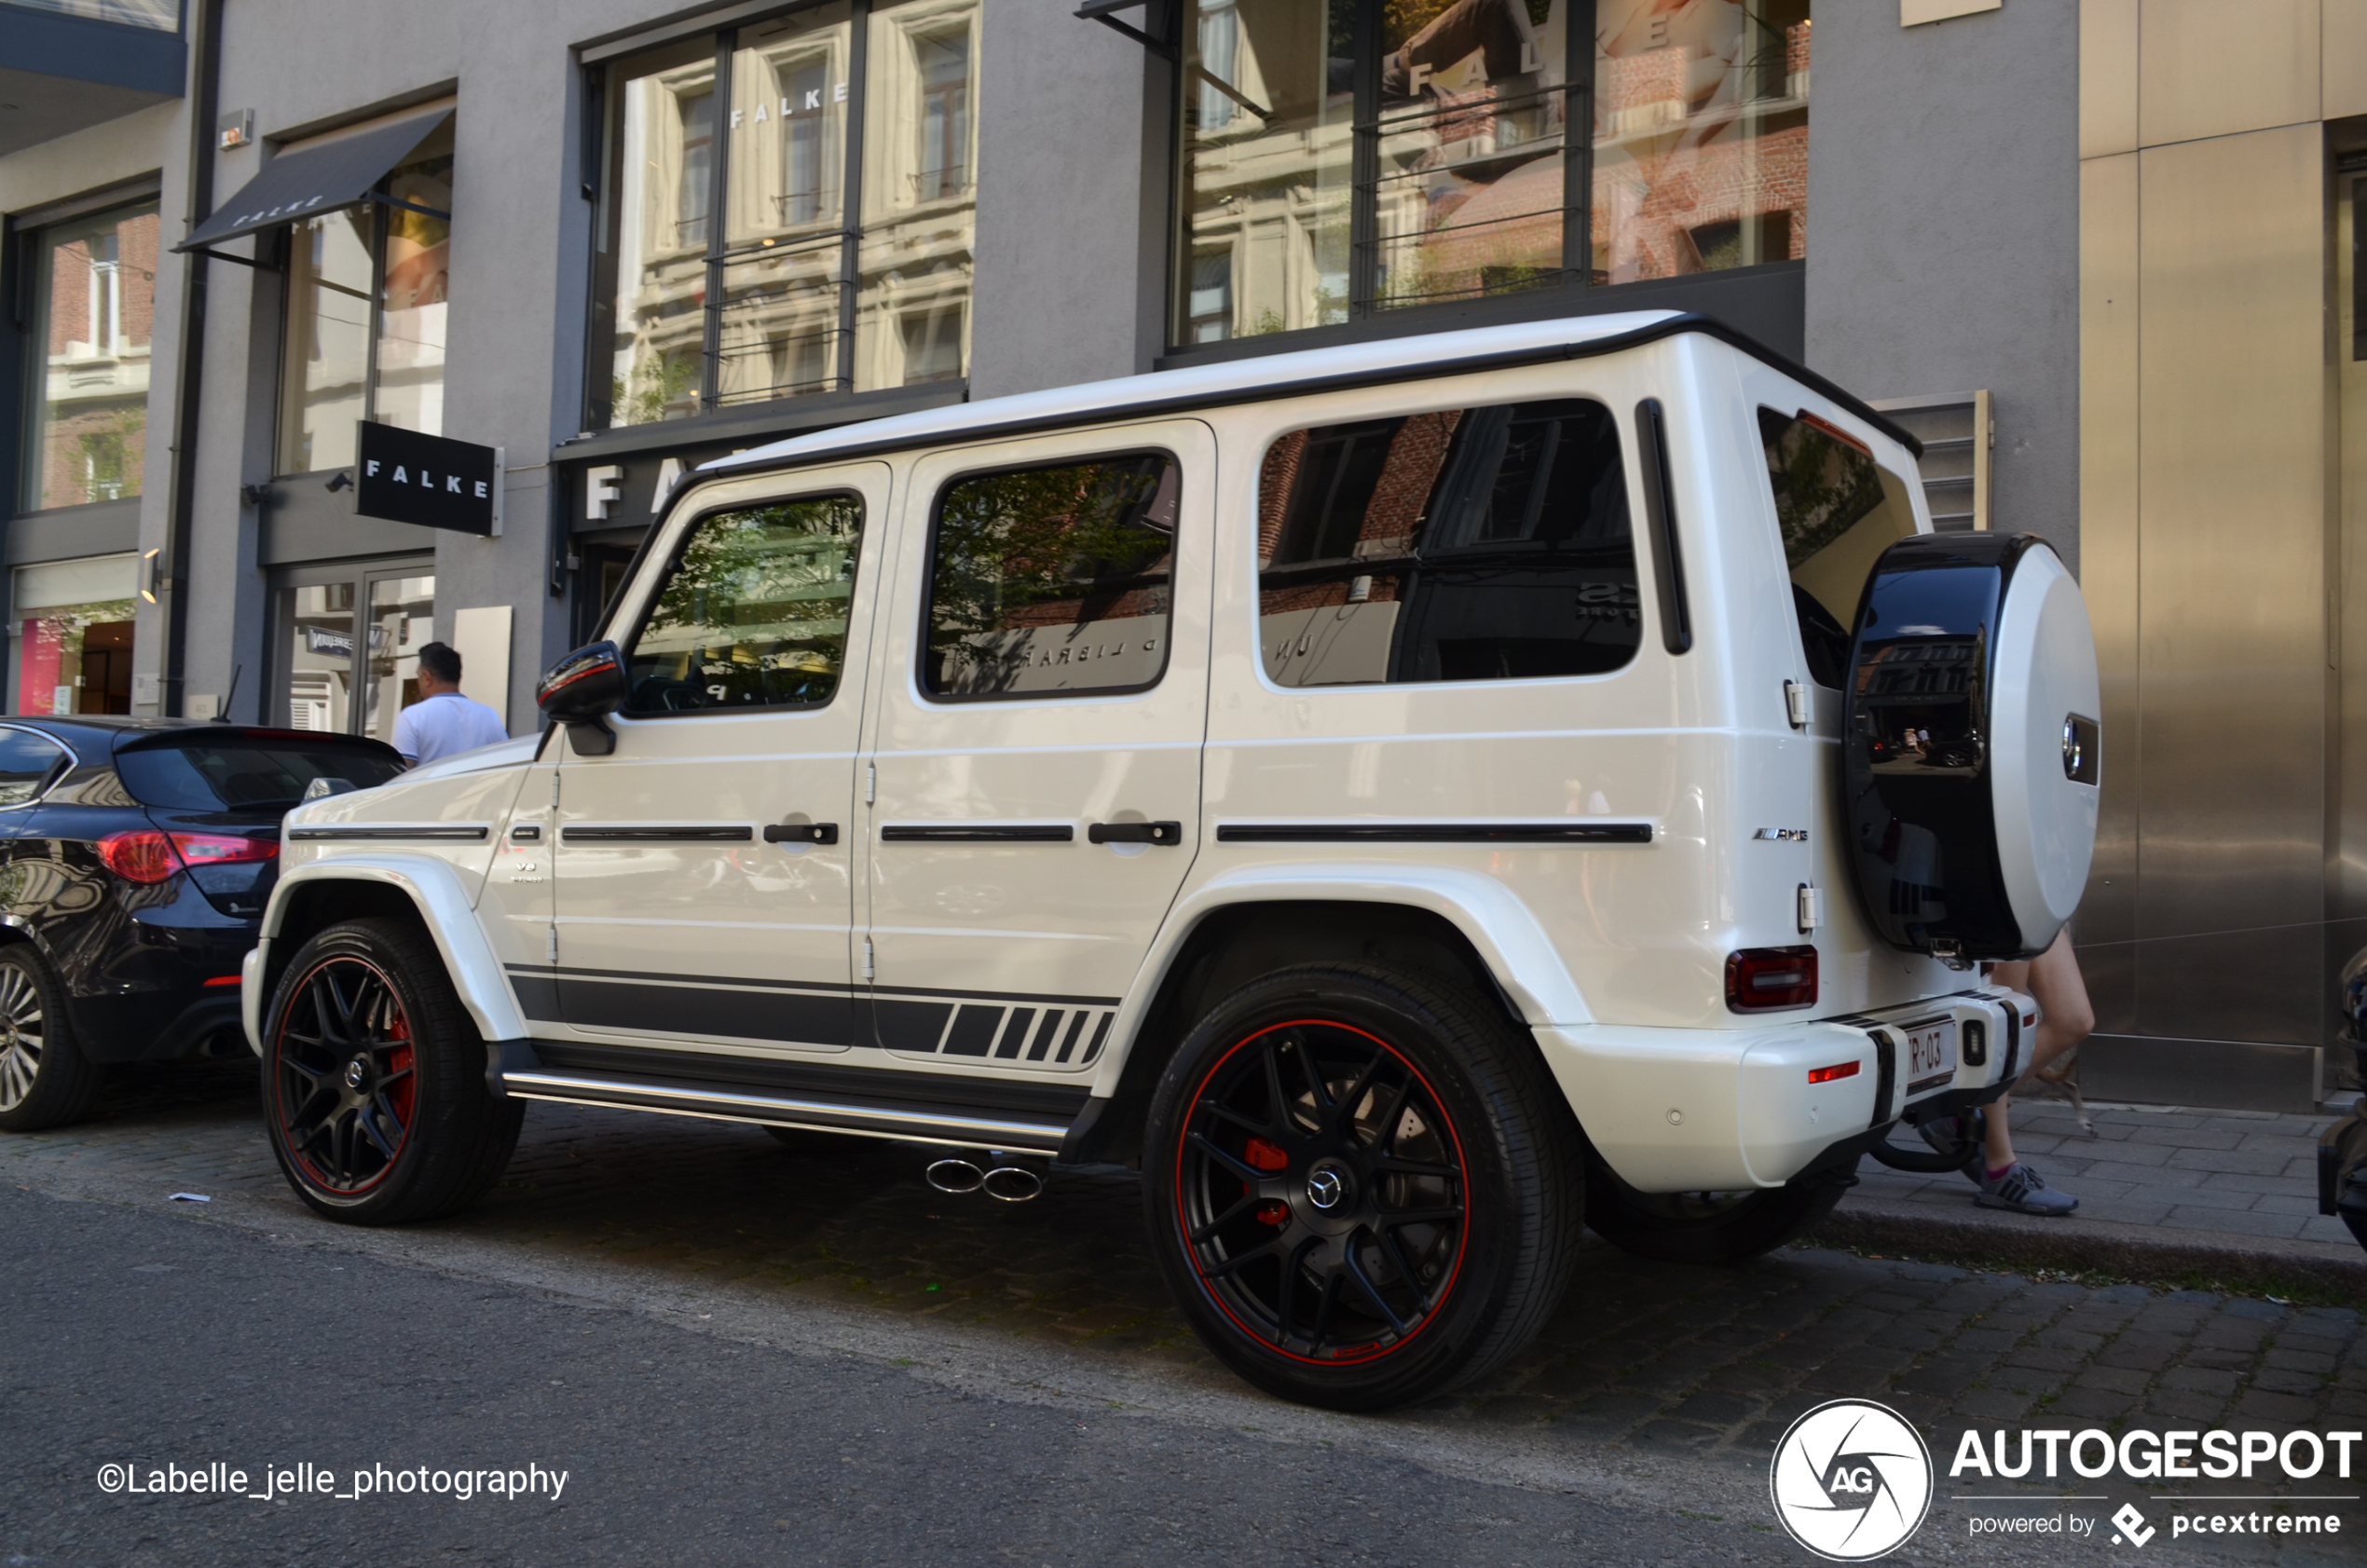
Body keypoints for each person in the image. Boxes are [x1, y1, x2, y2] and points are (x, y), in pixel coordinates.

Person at [1922, 928, 2095, 1215]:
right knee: (2004, 1026)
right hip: (1999, 898)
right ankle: (1999, 1169)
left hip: (2035, 898)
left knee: (2073, 1021)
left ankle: (1959, 1113)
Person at [390, 642, 509, 767]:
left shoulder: (413, 716)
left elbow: (402, 772)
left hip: (432, 786)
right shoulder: (489, 715)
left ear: (427, 677)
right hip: (481, 786)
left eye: (418, 676)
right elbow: (506, 764)